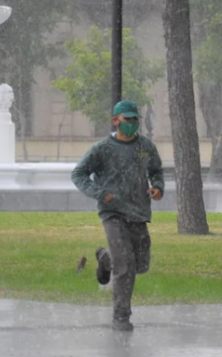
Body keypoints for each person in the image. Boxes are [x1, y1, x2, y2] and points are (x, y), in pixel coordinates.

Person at [71, 99, 165, 331]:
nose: (132, 123)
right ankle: (121, 315)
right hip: (112, 212)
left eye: (136, 119)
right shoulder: (102, 149)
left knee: (140, 265)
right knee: (124, 265)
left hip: (139, 212)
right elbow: (79, 174)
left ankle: (105, 258)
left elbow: (156, 171)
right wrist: (100, 193)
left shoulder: (146, 147)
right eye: (128, 119)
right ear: (116, 121)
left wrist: (158, 188)